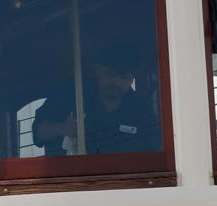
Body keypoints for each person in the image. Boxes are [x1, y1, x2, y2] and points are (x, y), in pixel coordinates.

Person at [33, 45, 161, 156]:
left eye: (124, 77)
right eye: (110, 74)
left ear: (132, 78)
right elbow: (38, 133)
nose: (116, 82)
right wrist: (61, 128)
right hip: (71, 180)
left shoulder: (141, 112)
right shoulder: (70, 96)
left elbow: (155, 154)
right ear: (97, 70)